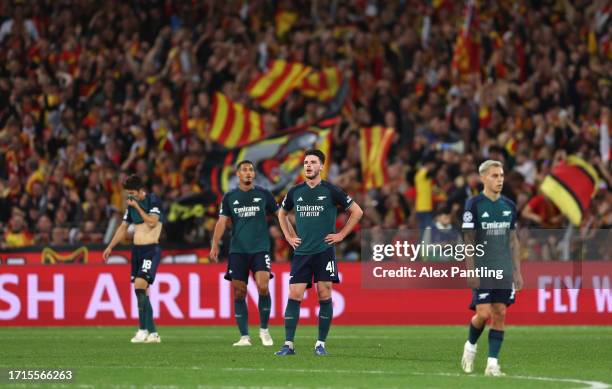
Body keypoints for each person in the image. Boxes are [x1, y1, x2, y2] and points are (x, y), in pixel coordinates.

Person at [275, 149, 363, 356]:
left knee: (324, 294)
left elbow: (357, 211)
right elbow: (282, 214)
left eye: (313, 162)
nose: (308, 165)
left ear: (322, 166)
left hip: (324, 252)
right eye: (306, 162)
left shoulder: (331, 190)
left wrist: (341, 235)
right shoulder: (295, 191)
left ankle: (320, 344)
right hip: (302, 252)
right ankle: (288, 344)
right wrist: (288, 236)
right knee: (294, 294)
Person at [460, 160, 523, 376]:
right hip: (483, 268)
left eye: (501, 175)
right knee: (483, 313)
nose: (500, 180)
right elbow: (468, 241)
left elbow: (514, 240)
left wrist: (517, 271)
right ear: (483, 178)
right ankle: (470, 346)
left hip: (504, 269)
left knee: (500, 313)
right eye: (495, 176)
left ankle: (492, 365)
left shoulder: (509, 206)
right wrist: (470, 270)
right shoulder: (474, 205)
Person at [210, 160, 280, 347]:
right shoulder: (229, 197)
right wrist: (215, 244)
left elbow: (279, 214)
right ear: (238, 175)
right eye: (244, 170)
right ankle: (244, 336)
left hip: (260, 248)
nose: (248, 173)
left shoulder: (264, 194)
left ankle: (264, 330)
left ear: (254, 175)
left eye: (251, 170)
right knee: (239, 292)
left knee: (263, 286)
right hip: (238, 251)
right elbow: (221, 222)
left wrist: (290, 235)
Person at [103, 174, 163, 344]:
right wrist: (110, 247)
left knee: (139, 287)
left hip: (151, 249)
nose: (130, 196)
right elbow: (123, 228)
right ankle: (152, 333)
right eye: (128, 193)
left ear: (140, 190)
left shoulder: (153, 200)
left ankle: (143, 330)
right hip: (137, 251)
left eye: (132, 192)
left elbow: (152, 222)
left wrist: (137, 206)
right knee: (142, 292)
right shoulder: (131, 207)